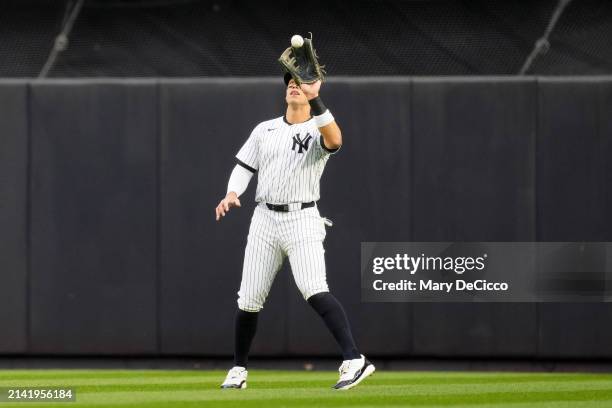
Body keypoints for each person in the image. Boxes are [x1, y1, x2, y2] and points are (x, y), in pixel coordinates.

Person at [215, 73, 374, 390]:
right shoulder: (265, 129)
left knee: (314, 288)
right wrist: (233, 193)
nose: (293, 83)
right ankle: (238, 370)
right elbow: (244, 167)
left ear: (314, 89)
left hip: (302, 218)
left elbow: (336, 140)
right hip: (264, 218)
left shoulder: (318, 126)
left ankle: (355, 360)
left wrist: (316, 98)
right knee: (248, 299)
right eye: (290, 80)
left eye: (301, 81)